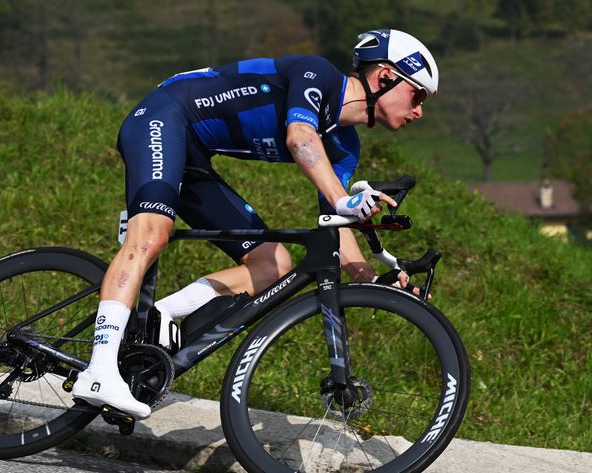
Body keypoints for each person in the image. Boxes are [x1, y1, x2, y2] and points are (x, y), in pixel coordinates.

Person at [72, 28, 439, 419]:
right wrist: (343, 199)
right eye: (417, 95)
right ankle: (99, 372)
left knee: (273, 265)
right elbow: (300, 138)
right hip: (163, 117)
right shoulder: (317, 75)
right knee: (151, 235)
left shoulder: (345, 146)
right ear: (385, 76)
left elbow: (337, 223)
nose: (419, 111)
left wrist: (373, 280)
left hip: (194, 156)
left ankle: (159, 314)